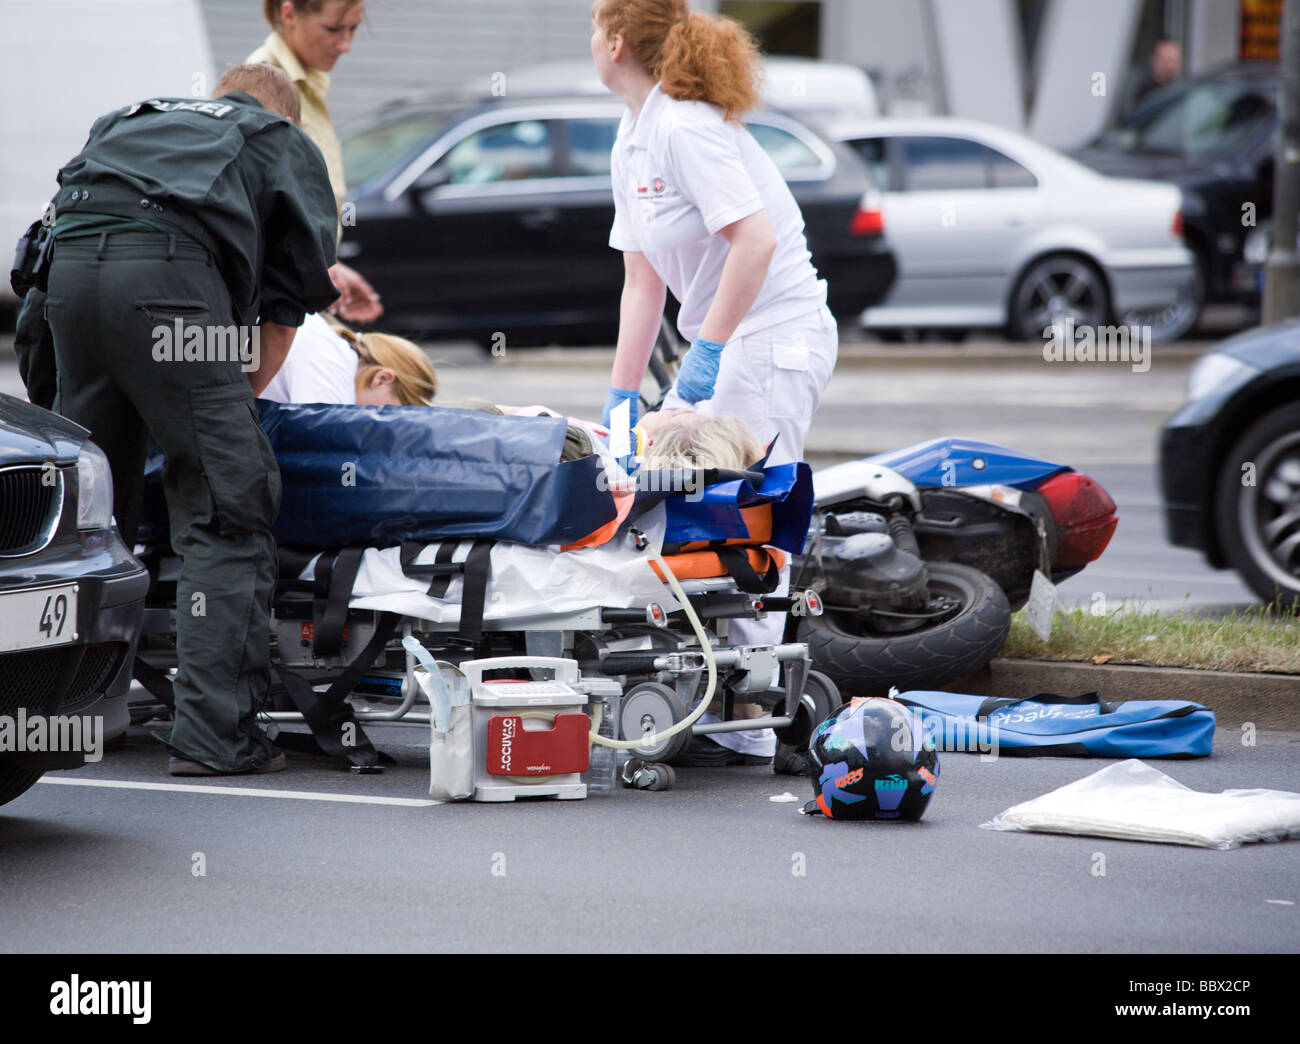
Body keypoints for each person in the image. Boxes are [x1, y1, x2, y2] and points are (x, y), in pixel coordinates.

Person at [44, 63, 339, 776]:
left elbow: (43, 256)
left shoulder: (130, 119)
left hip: (69, 287)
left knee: (90, 512)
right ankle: (215, 737)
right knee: (227, 501)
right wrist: (221, 416)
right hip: (164, 290)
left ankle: (72, 720)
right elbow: (282, 315)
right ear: (287, 117)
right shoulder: (274, 137)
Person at [591, 0, 837, 766]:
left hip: (770, 336)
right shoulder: (633, 137)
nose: (590, 42)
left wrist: (701, 364)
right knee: (700, 506)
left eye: (594, 29)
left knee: (744, 514)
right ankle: (720, 693)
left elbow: (755, 242)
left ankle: (755, 717)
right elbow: (642, 282)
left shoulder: (686, 126)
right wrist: (622, 396)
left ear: (617, 41)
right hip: (729, 339)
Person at [248, 0, 382, 323]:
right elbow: (258, 217)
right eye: (333, 29)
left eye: (353, 29)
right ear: (289, 13)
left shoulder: (306, 82)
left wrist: (328, 267)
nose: (346, 45)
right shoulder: (262, 88)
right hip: (275, 308)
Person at [260, 313, 437, 406]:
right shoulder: (331, 369)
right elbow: (318, 456)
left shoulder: (330, 347)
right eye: (389, 413)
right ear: (382, 379)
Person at [1130, 37, 1182, 112]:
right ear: (1154, 61)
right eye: (1165, 61)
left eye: (1173, 61)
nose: (1170, 66)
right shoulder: (1146, 95)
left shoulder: (1184, 92)